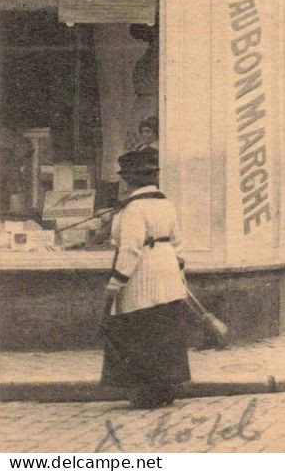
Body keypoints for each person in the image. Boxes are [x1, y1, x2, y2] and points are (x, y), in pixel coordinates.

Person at [100, 148, 191, 409]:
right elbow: (178, 244)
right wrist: (179, 273)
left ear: (130, 180)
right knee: (164, 330)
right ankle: (166, 388)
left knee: (140, 330)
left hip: (142, 275)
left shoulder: (134, 209)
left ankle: (146, 392)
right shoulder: (166, 203)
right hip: (167, 270)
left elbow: (130, 248)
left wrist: (117, 280)